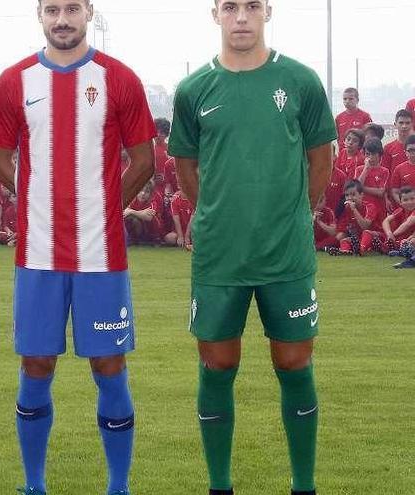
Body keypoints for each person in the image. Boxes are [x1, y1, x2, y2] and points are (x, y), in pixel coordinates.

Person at [168, 2, 336, 494]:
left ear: (268, 12)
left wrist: (290, 216)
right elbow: (186, 170)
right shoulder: (193, 90)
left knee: (294, 364)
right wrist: (221, 216)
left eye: (251, 6)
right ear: (215, 14)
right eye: (230, 7)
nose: (241, 16)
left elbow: (319, 160)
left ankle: (302, 486)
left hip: (286, 255)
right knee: (218, 365)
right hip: (220, 258)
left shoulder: (301, 81)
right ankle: (220, 486)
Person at [0, 1, 156, 493]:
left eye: (73, 9)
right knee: (36, 363)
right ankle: (34, 485)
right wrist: (34, 201)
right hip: (37, 256)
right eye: (53, 9)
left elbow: (144, 159)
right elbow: (1, 158)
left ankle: (118, 486)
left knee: (109, 365)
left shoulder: (118, 78)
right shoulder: (13, 81)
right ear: (40, 15)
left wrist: (106, 207)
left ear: (89, 13)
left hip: (101, 256)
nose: (63, 19)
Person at [333, 180, 381, 255]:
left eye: (353, 194)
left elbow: (365, 227)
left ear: (361, 195)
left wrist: (354, 209)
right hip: (360, 239)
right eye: (347, 195)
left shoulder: (370, 206)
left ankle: (361, 250)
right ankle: (345, 252)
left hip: (376, 237)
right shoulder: (347, 208)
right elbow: (343, 229)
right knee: (343, 240)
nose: (349, 198)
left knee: (366, 233)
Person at [354, 138, 389, 222]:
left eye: (373, 154)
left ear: (380, 154)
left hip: (379, 208)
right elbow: (356, 188)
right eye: (367, 154)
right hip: (363, 207)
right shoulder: (359, 169)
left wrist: (362, 188)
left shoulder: (385, 171)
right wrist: (366, 169)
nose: (370, 157)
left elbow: (380, 192)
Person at [124, 181, 165, 245]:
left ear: (151, 194)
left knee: (133, 216)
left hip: (154, 231)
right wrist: (142, 213)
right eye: (141, 190)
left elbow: (149, 217)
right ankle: (134, 238)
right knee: (131, 218)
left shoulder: (152, 202)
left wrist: (132, 211)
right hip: (141, 228)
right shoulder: (132, 199)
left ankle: (153, 239)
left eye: (147, 192)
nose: (143, 194)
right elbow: (125, 212)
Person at [381, 186, 415, 255]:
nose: (409, 202)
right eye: (405, 200)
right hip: (403, 239)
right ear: (401, 202)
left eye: (412, 199)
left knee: (412, 241)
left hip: (410, 238)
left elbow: (407, 224)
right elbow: (386, 221)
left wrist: (393, 235)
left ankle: (398, 249)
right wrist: (389, 233)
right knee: (369, 233)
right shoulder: (400, 210)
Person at [389, 135, 415, 205]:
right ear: (405, 152)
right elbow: (395, 191)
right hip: (405, 209)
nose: (413, 153)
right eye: (410, 150)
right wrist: (404, 204)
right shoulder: (399, 169)